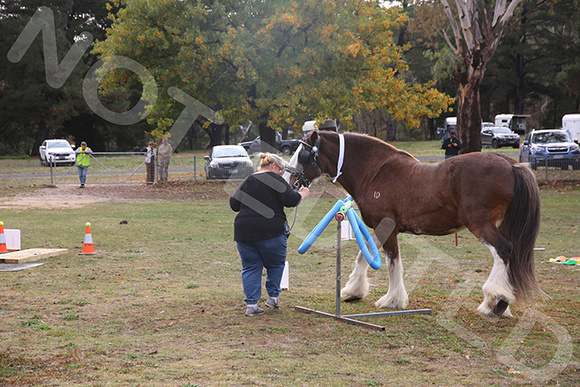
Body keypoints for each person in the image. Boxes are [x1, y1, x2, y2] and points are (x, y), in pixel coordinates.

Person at [230, 153, 310, 316]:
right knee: (275, 265)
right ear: (274, 166)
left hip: (244, 231)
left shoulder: (249, 180)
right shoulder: (275, 179)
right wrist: (303, 194)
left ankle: (251, 304)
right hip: (271, 231)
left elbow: (234, 204)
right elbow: (291, 200)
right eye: (281, 170)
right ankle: (272, 298)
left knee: (251, 267)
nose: (281, 173)